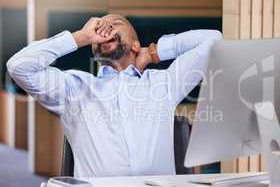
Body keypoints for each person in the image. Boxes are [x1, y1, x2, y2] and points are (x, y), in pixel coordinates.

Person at [7, 14, 222, 177]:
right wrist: (81, 36)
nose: (105, 27)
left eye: (116, 24)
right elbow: (18, 67)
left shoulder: (164, 83)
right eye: (99, 26)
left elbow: (213, 39)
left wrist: (155, 52)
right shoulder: (73, 88)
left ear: (136, 45)